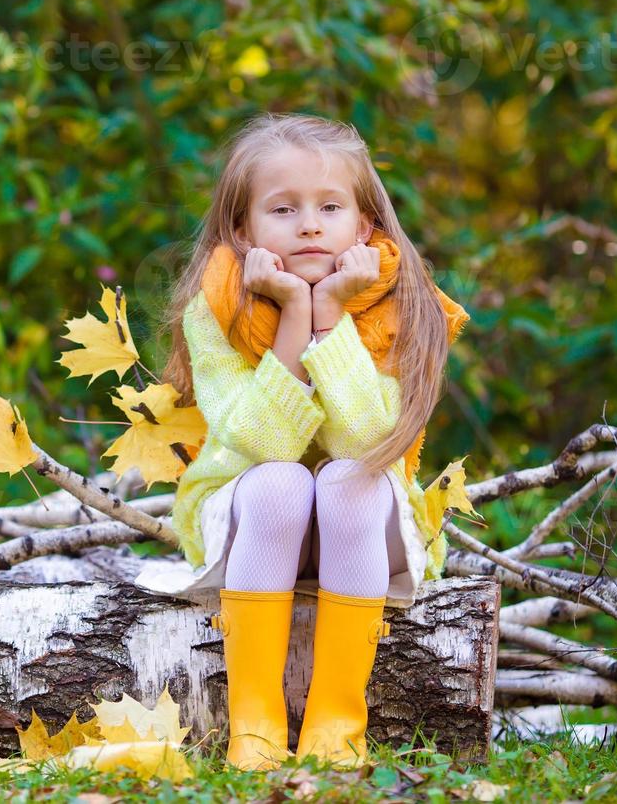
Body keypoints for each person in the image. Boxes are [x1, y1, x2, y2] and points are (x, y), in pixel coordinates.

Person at [135, 112, 470, 771]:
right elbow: (263, 445)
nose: (310, 225)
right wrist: (294, 312)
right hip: (249, 514)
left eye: (329, 207)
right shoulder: (219, 307)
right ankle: (254, 725)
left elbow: (371, 441)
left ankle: (337, 723)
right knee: (284, 482)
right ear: (242, 230)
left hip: (361, 526)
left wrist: (332, 314)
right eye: (283, 208)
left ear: (365, 225)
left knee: (348, 478)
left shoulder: (403, 306)